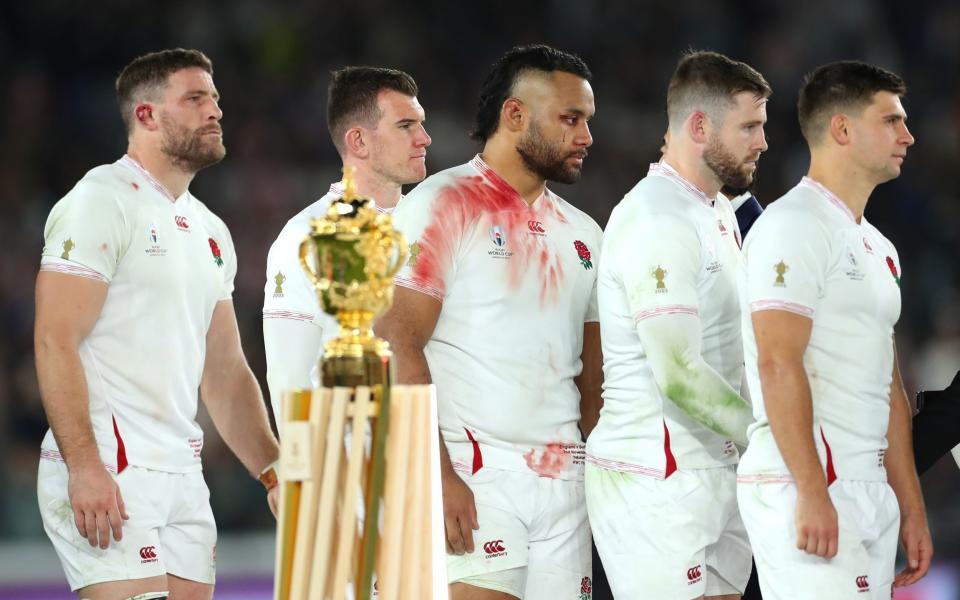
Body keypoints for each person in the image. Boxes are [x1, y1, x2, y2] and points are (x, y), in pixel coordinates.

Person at [34, 49, 280, 600]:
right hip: (110, 466)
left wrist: (272, 468)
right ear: (146, 115)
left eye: (215, 98)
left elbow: (225, 370)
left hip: (182, 474)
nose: (215, 110)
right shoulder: (101, 201)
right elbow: (54, 339)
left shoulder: (211, 230)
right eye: (195, 99)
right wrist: (85, 466)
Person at [375, 44, 603, 600]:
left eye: (587, 122)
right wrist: (435, 474)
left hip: (566, 483)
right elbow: (394, 339)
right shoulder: (442, 205)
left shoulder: (585, 235)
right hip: (473, 471)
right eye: (570, 119)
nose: (586, 137)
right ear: (515, 115)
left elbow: (594, 382)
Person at [736, 60, 932, 599]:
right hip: (807, 481)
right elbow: (776, 361)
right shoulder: (792, 226)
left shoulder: (879, 247)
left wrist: (910, 508)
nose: (908, 136)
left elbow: (887, 385)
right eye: (891, 120)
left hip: (866, 487)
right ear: (842, 129)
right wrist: (811, 489)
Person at [585, 50, 770, 600]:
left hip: (714, 469)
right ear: (698, 126)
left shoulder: (716, 211)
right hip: (653, 480)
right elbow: (681, 373)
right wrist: (773, 441)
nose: (762, 142)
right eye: (750, 127)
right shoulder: (656, 218)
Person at [262, 66, 431, 424]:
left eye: (421, 123)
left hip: (433, 462)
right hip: (350, 466)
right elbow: (288, 381)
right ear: (359, 142)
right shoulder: (306, 238)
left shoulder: (436, 228)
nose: (424, 138)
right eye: (406, 126)